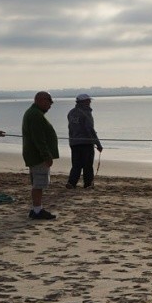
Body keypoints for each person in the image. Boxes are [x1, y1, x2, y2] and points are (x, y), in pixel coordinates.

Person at [21, 91, 58, 220]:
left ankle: (35, 208)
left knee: (38, 183)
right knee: (39, 183)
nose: (50, 105)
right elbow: (39, 138)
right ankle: (37, 210)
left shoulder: (34, 113)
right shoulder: (35, 115)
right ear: (41, 100)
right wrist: (46, 156)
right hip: (37, 156)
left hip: (34, 154)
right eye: (49, 101)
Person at [66, 94, 103, 189]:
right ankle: (88, 184)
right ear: (82, 102)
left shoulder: (71, 112)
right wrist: (98, 144)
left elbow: (71, 128)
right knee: (87, 165)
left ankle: (71, 182)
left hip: (74, 142)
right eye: (88, 101)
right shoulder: (86, 113)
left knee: (76, 165)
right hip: (86, 142)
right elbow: (90, 129)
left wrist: (72, 141)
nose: (90, 102)